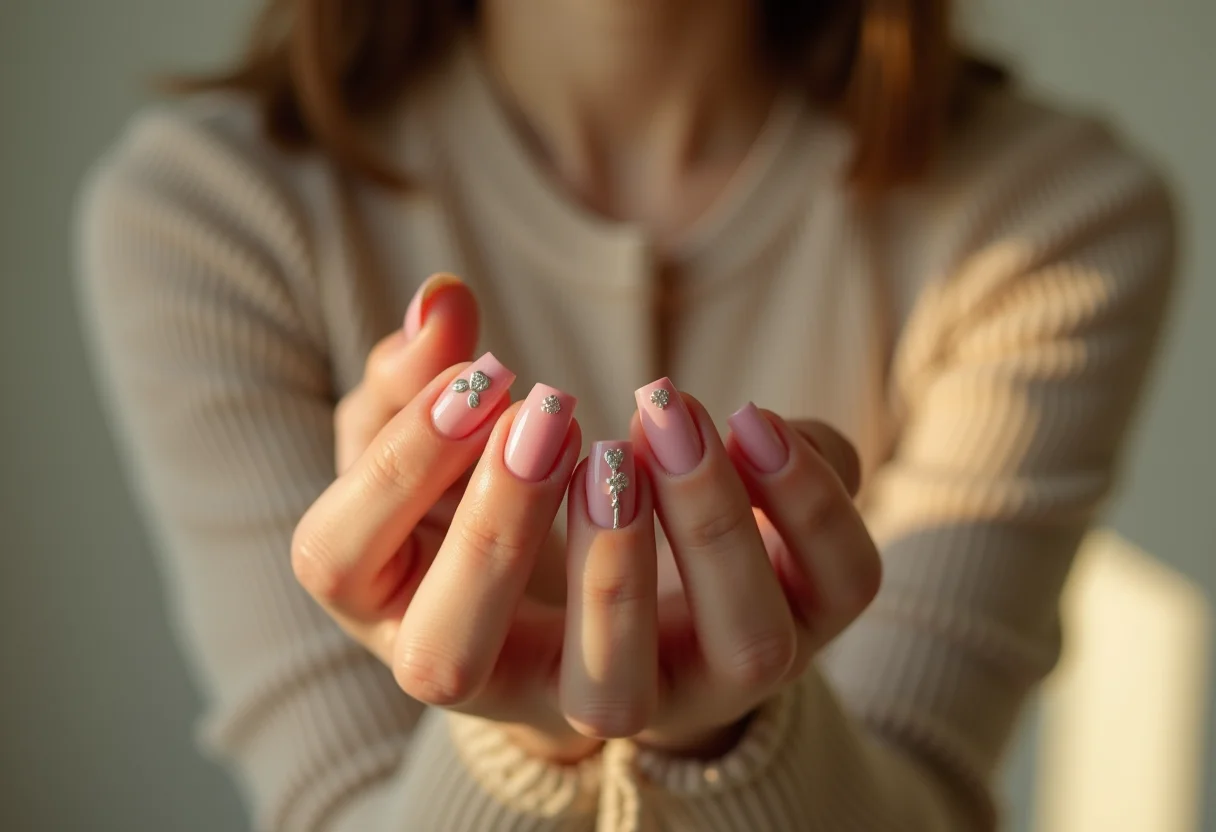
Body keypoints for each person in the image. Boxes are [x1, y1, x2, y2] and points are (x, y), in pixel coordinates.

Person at [76, 0, 1176, 829]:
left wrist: (727, 740)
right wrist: (524, 754)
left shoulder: (1053, 216)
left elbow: (920, 799)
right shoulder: (209, 216)